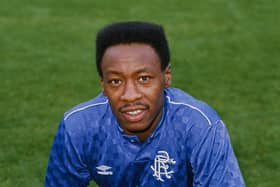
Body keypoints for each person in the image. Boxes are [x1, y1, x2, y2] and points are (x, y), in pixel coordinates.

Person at [44, 21, 245, 187]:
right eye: (116, 81)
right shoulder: (79, 127)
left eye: (144, 78)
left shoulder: (198, 125)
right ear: (103, 85)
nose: (130, 95)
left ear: (166, 77)